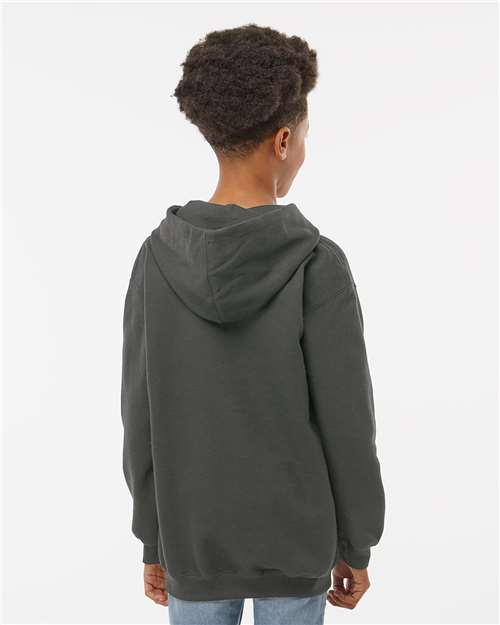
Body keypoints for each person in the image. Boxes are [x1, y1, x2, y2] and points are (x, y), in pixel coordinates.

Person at [121, 23, 385, 625]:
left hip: (193, 542)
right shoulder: (317, 262)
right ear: (284, 140)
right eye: (306, 136)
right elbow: (347, 420)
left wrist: (153, 539)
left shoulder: (156, 259)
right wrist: (357, 543)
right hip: (298, 541)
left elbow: (140, 414)